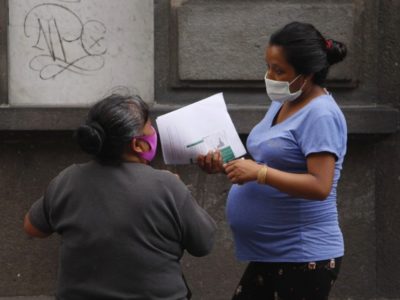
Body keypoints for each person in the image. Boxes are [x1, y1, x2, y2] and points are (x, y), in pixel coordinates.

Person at [198, 22, 347, 300]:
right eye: (268, 66)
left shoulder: (321, 115)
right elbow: (270, 159)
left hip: (303, 255)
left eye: (279, 71)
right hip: (272, 253)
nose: (270, 76)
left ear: (308, 73)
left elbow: (320, 185)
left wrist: (259, 173)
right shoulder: (284, 101)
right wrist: (226, 164)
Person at [24, 94, 217, 300]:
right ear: (137, 144)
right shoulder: (168, 186)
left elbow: (33, 228)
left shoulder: (67, 179)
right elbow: (203, 244)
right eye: (149, 127)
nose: (154, 132)